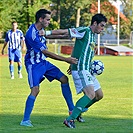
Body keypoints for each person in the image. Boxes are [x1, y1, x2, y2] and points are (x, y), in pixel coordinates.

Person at [44, 13, 107, 128]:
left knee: (99, 95)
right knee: (90, 94)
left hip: (87, 69)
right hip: (80, 69)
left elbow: (78, 49)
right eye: (101, 26)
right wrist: (47, 33)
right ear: (94, 23)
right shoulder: (84, 31)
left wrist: (71, 62)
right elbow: (65, 32)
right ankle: (70, 119)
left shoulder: (93, 36)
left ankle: (77, 113)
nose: (102, 29)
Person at [20, 9, 79, 127]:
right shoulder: (31, 34)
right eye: (47, 19)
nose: (49, 21)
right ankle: (25, 120)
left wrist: (68, 33)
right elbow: (47, 53)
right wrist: (66, 59)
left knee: (64, 79)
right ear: (40, 19)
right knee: (35, 90)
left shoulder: (41, 30)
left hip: (43, 62)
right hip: (34, 65)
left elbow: (55, 34)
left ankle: (72, 110)